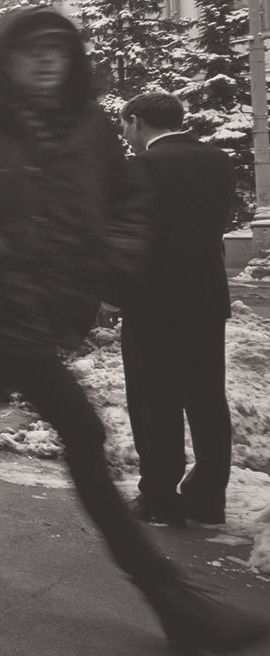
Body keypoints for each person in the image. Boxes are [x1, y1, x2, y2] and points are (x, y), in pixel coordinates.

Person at [0, 6, 266, 653]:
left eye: (57, 51)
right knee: (83, 434)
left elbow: (129, 198)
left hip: (49, 307)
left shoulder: (85, 126)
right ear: (7, 59)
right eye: (31, 51)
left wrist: (110, 261)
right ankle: (171, 600)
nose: (45, 62)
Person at [119, 91, 237, 526]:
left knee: (155, 401)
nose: (124, 135)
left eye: (124, 125)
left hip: (153, 304)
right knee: (207, 399)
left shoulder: (143, 166)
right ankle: (208, 499)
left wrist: (114, 292)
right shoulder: (218, 160)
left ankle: (159, 497)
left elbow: (136, 237)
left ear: (136, 121)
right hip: (206, 300)